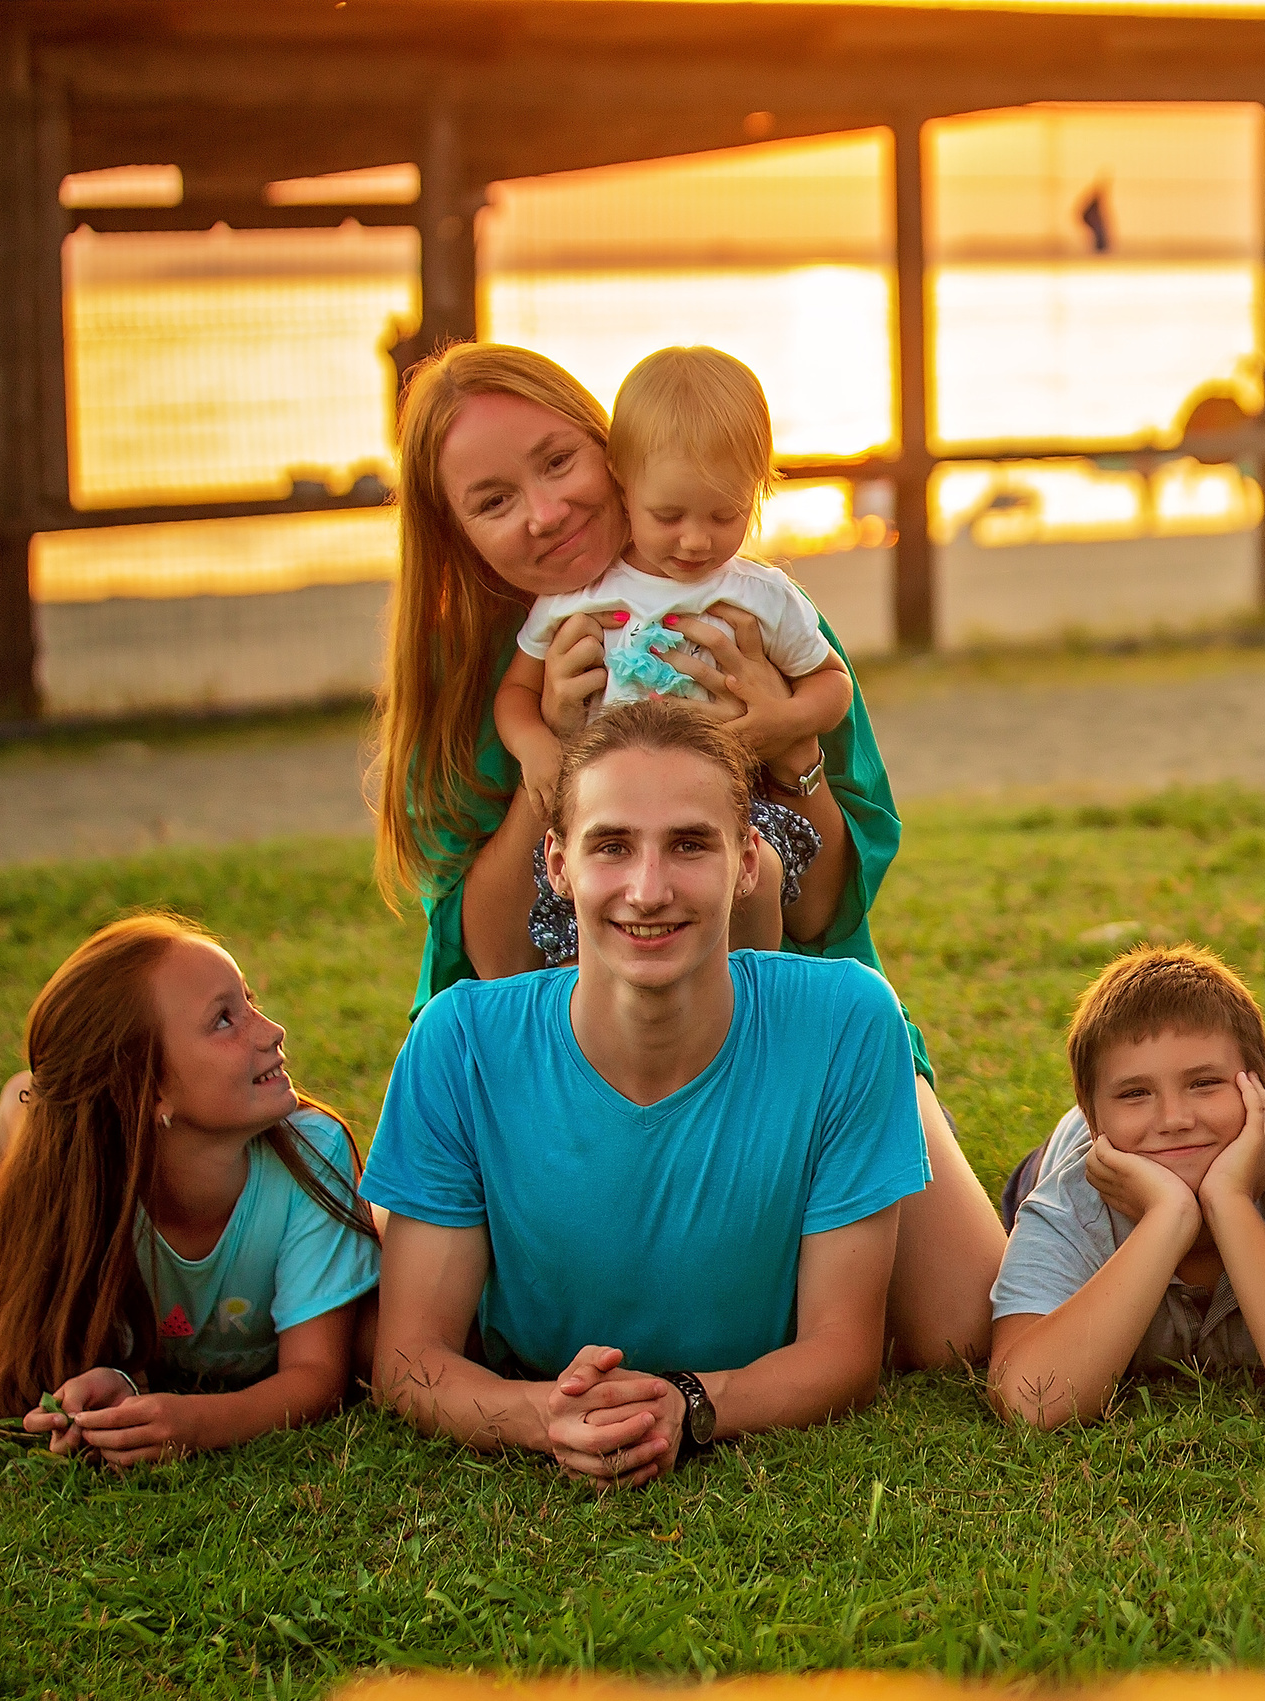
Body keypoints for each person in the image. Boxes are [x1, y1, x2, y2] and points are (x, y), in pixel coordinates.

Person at [370, 341, 1003, 1365]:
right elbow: (494, 958)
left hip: (780, 998)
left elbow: (821, 913)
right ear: (452, 534)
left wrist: (780, 741)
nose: (543, 512)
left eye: (557, 463)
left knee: (963, 1326)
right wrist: (567, 760)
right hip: (553, 1030)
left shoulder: (745, 612)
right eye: (492, 502)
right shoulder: (475, 685)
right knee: (431, 1321)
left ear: (612, 451)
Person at [365, 700, 929, 1488]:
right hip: (536, 1378)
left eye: (691, 844)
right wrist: (544, 1416)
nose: (648, 887)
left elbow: (842, 1353)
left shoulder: (849, 1019)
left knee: (961, 1326)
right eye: (613, 846)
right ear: (558, 864)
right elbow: (409, 1361)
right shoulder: (458, 1041)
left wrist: (692, 1402)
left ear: (748, 860)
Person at [0, 915, 378, 1465]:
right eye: (223, 1020)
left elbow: (316, 1378)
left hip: (118, 1124)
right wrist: (112, 1380)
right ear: (150, 1091)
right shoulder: (80, 1196)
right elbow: (68, 1348)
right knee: (33, 1148)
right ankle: (17, 1111)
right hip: (95, 1137)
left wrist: (196, 1423)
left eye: (249, 1001)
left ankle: (20, 1105)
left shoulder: (314, 1154)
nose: (271, 1030)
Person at [494, 345, 853, 948]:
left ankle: (749, 1008)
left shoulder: (760, 594)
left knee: (752, 879)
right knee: (574, 923)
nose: (695, 540)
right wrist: (535, 746)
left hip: (727, 811)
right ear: (621, 483)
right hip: (604, 818)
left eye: (725, 514)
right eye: (668, 515)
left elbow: (833, 684)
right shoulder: (580, 593)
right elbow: (518, 689)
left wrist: (782, 722)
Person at [988, 946, 1265, 1427]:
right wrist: (1169, 1216)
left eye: (1205, 1083)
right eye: (1135, 1093)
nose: (1174, 1119)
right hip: (1067, 1152)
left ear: (1259, 1093)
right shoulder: (1064, 1202)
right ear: (1094, 1117)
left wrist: (1229, 1201)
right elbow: (1029, 1402)